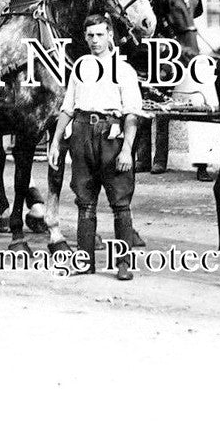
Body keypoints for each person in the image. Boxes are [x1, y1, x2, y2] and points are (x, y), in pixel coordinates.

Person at [49, 14, 143, 280]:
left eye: (100, 35)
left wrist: (127, 150)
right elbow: (67, 108)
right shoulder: (80, 66)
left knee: (120, 201)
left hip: (111, 135)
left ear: (110, 34)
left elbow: (132, 115)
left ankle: (123, 263)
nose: (94, 41)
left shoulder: (124, 70)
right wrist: (55, 141)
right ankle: (85, 261)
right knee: (85, 200)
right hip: (81, 132)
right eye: (90, 35)